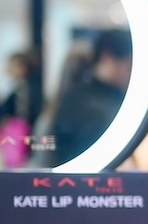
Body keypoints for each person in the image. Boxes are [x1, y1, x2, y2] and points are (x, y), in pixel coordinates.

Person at [50, 30, 132, 165]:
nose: (130, 75)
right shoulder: (84, 104)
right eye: (128, 67)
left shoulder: (108, 97)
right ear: (107, 57)